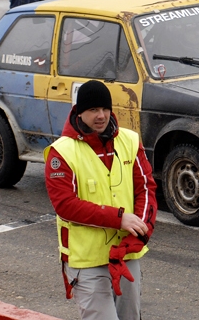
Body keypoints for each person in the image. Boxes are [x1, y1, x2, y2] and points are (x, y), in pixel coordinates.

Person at [44, 80, 157, 320]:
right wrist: (119, 219)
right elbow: (65, 205)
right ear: (79, 112)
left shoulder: (130, 141)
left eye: (105, 109)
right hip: (86, 262)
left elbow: (146, 188)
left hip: (126, 254)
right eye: (94, 110)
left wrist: (139, 233)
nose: (101, 115)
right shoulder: (61, 152)